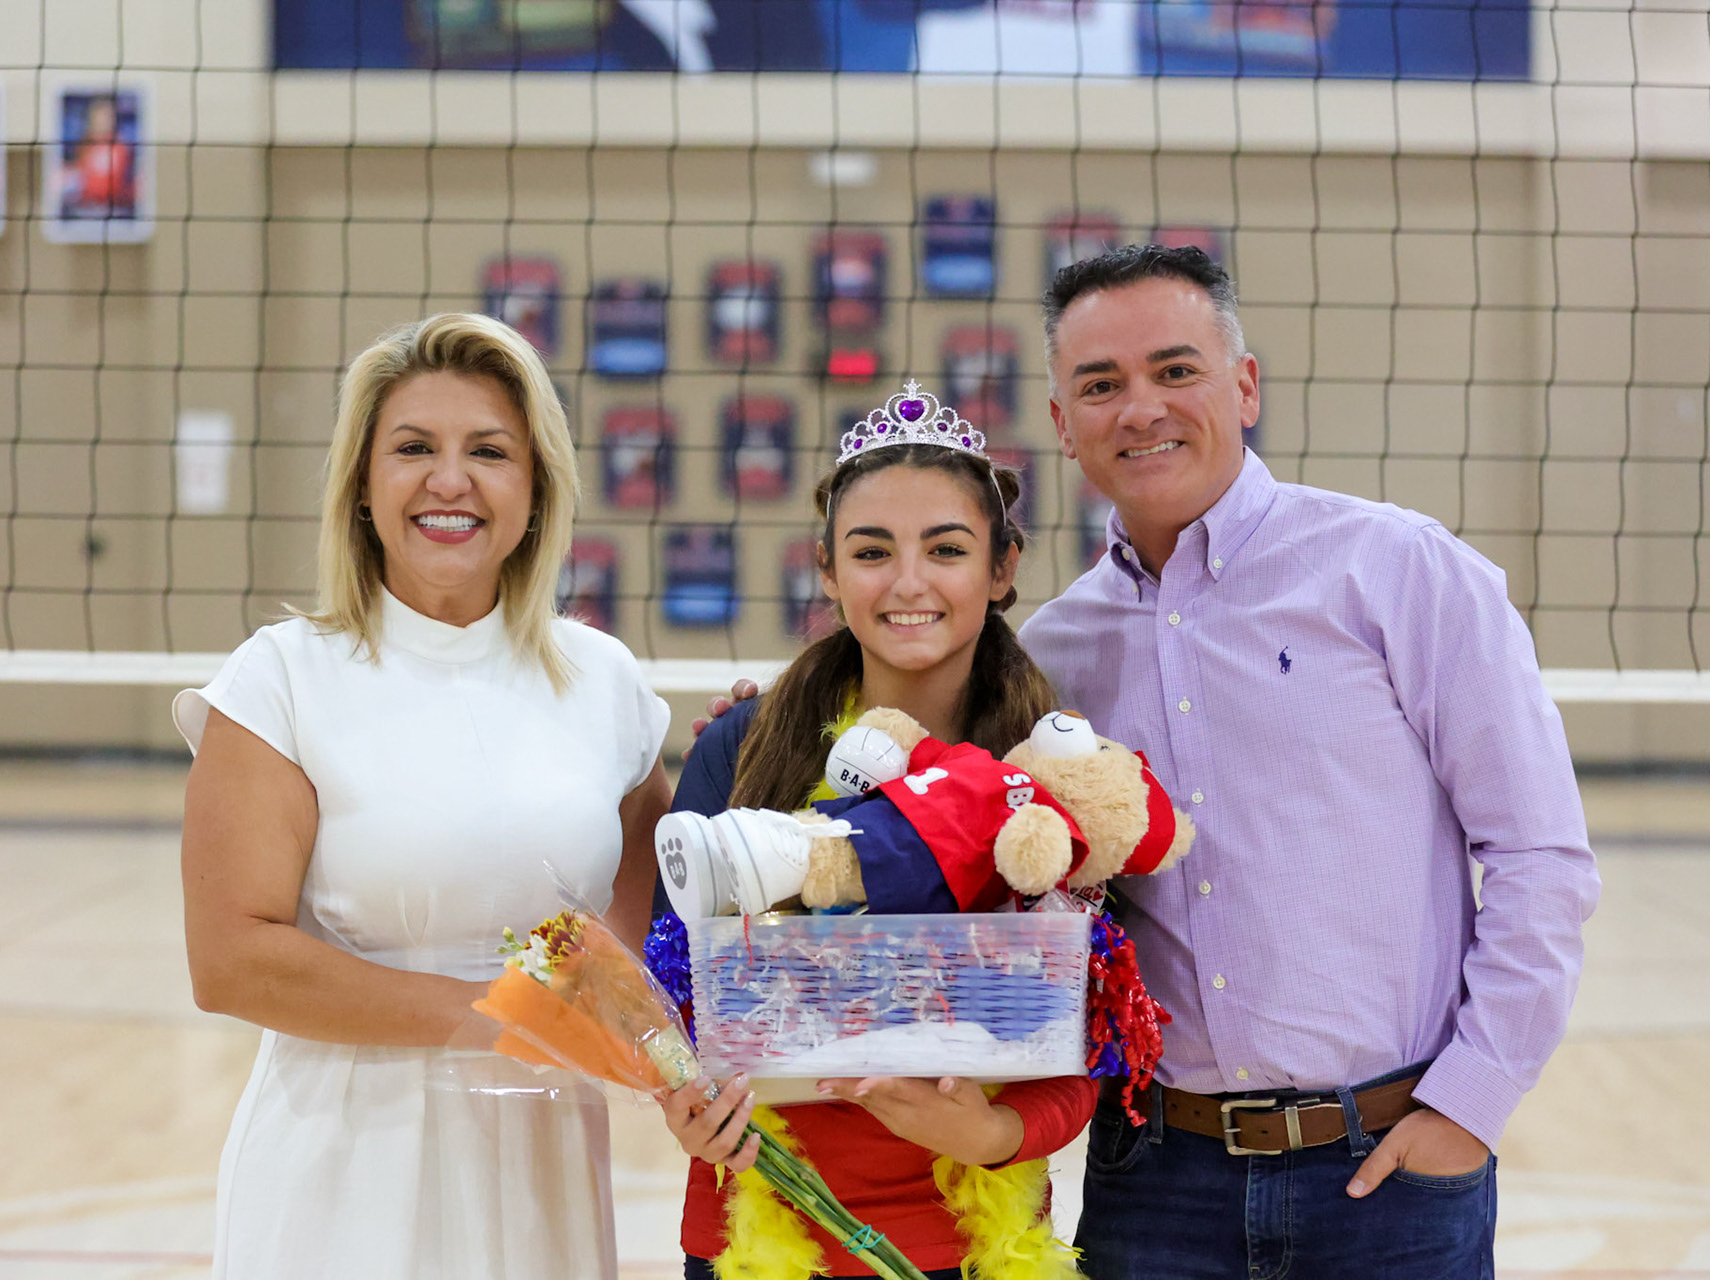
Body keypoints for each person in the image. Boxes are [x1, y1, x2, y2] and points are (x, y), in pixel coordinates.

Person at [1020, 243, 1602, 1277]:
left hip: (1389, 1170)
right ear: (1064, 423)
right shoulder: (1054, 651)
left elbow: (1539, 853)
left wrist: (1471, 1102)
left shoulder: (1399, 570)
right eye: (1101, 385)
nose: (1141, 407)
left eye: (1176, 369)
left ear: (1245, 386)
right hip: (1153, 1179)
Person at [175, 313, 672, 1280]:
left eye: (489, 451)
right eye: (413, 449)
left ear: (537, 489)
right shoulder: (281, 678)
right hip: (345, 1166)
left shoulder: (604, 681)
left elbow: (651, 936)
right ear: (363, 486)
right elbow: (231, 963)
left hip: (545, 1162)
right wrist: (504, 1019)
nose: (451, 480)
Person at [658, 387, 1099, 1280]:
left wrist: (996, 1132)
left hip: (978, 1246)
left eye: (947, 549)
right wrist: (684, 1102)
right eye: (871, 552)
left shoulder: (1052, 773)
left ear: (1003, 568)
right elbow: (669, 1001)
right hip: (761, 1238)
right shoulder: (741, 750)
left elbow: (1088, 1032)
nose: (908, 583)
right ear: (827, 570)